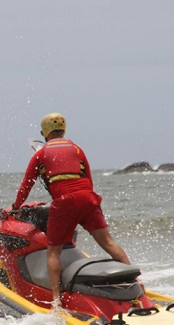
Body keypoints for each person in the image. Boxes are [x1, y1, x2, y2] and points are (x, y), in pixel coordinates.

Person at [11, 112, 132, 305]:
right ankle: (137, 286)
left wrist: (16, 207)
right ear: (63, 130)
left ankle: (57, 301)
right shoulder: (77, 149)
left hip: (65, 202)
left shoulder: (41, 154)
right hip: (88, 198)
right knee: (109, 243)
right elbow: (88, 179)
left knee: (54, 252)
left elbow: (26, 185)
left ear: (44, 132)